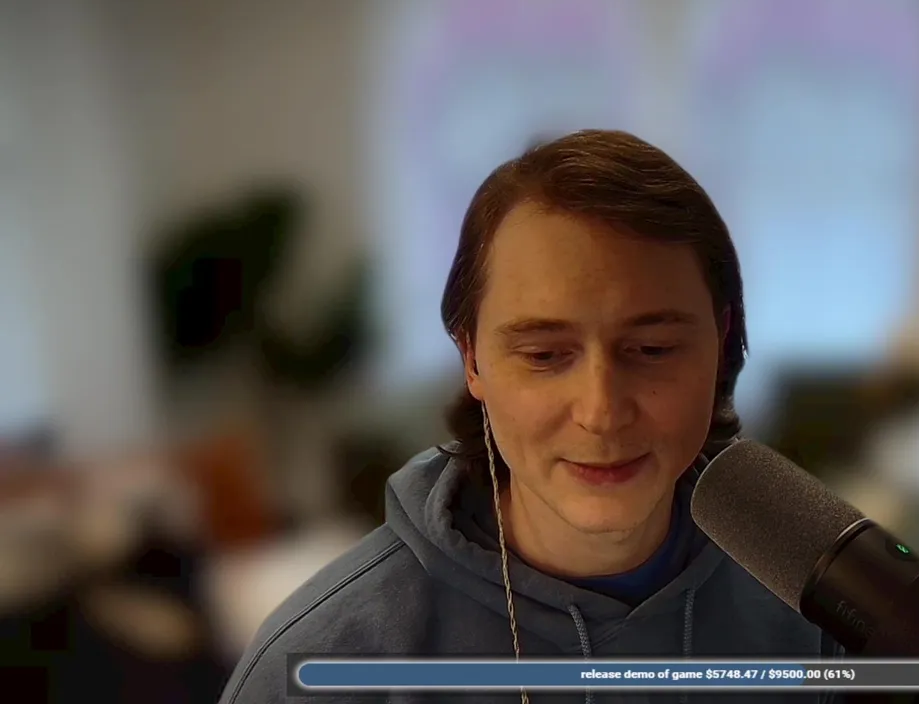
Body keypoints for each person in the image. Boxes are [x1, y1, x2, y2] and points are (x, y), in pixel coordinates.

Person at [217, 130, 842, 704]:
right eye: (544, 355)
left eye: (652, 349)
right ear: (472, 359)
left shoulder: (821, 614)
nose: (601, 413)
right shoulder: (322, 667)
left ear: (720, 341)